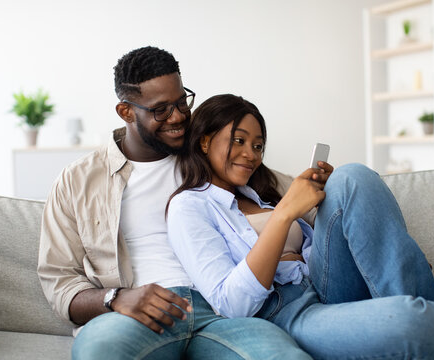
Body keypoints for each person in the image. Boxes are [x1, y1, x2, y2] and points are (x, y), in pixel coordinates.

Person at [166, 93, 434, 360]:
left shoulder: (262, 195)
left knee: (350, 176)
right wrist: (285, 213)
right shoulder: (188, 207)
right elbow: (232, 304)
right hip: (289, 312)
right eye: (239, 141)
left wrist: (323, 200)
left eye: (257, 145)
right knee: (404, 321)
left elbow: (325, 246)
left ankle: (415, 307)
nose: (251, 154)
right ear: (206, 141)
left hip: (327, 284)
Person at [37, 47, 312, 360]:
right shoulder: (79, 181)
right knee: (99, 352)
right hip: (139, 317)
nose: (179, 116)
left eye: (182, 102)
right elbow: (59, 282)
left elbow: (295, 195)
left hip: (224, 313)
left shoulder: (208, 153)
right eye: (161, 110)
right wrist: (116, 298)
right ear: (126, 112)